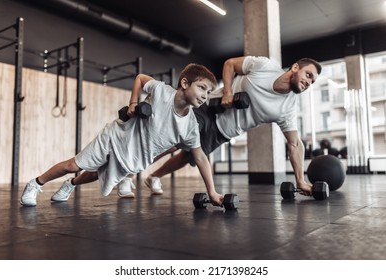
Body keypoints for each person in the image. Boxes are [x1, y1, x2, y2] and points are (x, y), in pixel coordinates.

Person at [20, 63, 224, 207]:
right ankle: (36, 184)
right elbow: (141, 78)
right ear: (185, 83)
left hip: (132, 158)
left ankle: (70, 185)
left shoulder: (190, 126)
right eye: (202, 88)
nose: (205, 95)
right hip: (115, 137)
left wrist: (212, 192)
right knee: (74, 165)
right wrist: (134, 103)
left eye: (209, 92)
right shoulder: (162, 92)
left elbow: (200, 158)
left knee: (96, 174)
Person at [135, 56, 322, 197]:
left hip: (223, 132)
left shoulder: (287, 108)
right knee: (176, 140)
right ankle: (131, 169)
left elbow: (295, 144)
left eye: (312, 81)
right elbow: (230, 64)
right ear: (295, 67)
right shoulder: (264, 66)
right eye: (308, 75)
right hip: (209, 109)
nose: (308, 82)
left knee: (188, 156)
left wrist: (300, 180)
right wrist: (228, 91)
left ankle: (153, 177)